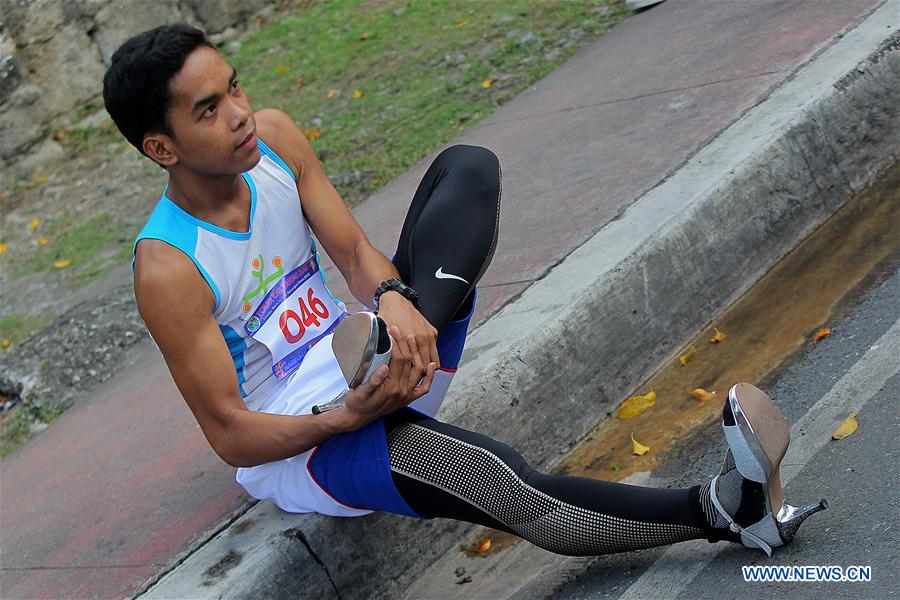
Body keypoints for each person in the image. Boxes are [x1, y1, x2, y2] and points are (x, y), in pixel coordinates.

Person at [103, 24, 825, 559]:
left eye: (234, 86)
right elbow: (232, 434)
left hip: (377, 355)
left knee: (468, 167)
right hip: (310, 436)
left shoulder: (275, 141)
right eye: (207, 109)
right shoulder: (168, 266)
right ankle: (728, 509)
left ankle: (388, 347)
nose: (238, 112)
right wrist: (343, 416)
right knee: (500, 482)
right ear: (160, 148)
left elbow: (353, 250)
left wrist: (391, 298)